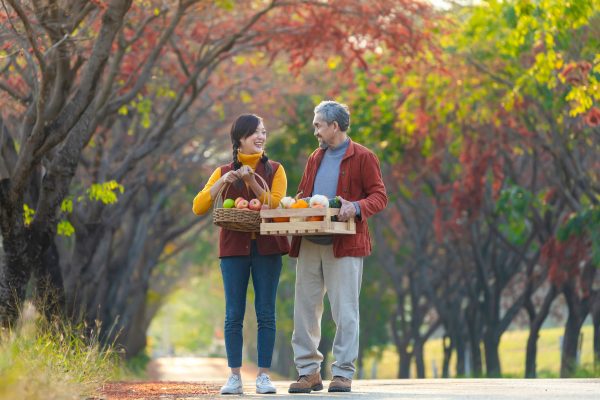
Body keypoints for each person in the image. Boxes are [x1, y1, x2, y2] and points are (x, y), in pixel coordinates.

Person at [288, 101, 387, 394]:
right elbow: (305, 195)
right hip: (309, 242)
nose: (314, 130)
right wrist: (296, 205)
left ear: (335, 126)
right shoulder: (314, 158)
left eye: (318, 124)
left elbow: (379, 196)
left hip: (344, 243)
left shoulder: (363, 156)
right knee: (304, 309)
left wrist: (355, 206)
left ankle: (342, 373)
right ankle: (308, 373)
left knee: (345, 311)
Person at [192, 114, 289, 395]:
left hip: (268, 249)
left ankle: (263, 376)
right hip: (233, 249)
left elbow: (277, 205)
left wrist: (255, 184)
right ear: (240, 139)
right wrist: (224, 182)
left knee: (266, 312)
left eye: (263, 132)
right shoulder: (223, 170)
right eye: (255, 133)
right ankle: (234, 376)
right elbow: (199, 206)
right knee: (233, 314)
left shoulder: (276, 169)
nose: (261, 137)